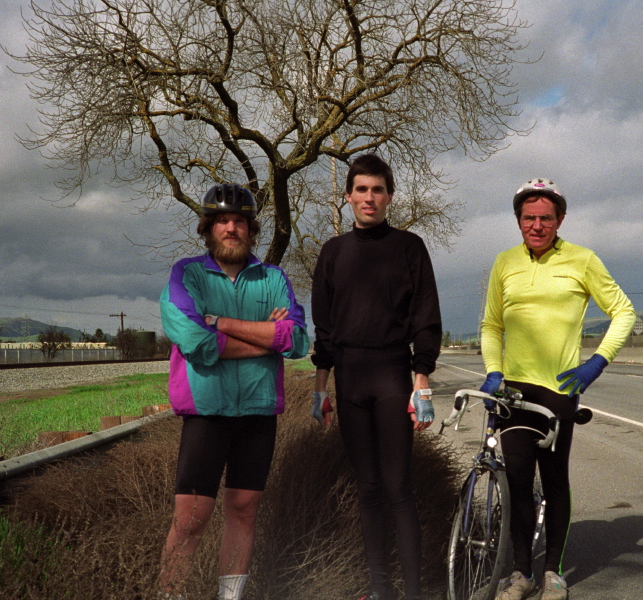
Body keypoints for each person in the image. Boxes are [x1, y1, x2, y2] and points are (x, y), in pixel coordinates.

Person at [480, 178, 636, 600]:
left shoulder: (583, 260)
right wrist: (494, 369)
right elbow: (492, 325)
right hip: (513, 390)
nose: (537, 225)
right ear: (518, 221)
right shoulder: (504, 263)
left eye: (545, 218)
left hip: (559, 390)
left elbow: (623, 311)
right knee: (515, 477)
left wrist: (596, 363)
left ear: (560, 219)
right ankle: (520, 573)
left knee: (552, 478)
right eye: (528, 218)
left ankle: (553, 571)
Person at [158, 183, 309, 600]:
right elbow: (195, 343)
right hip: (206, 411)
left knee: (243, 511)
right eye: (222, 220)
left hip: (258, 412)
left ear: (250, 229)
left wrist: (221, 322)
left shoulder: (272, 278)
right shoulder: (186, 275)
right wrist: (266, 336)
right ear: (208, 228)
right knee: (190, 519)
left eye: (239, 221)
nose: (231, 228)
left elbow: (296, 341)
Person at [310, 154, 442, 600]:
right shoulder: (333, 253)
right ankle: (380, 590)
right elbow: (323, 329)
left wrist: (421, 379)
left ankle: (414, 592)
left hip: (391, 373)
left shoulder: (409, 247)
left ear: (390, 196)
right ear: (348, 196)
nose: (370, 198)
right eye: (361, 190)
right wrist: (320, 388)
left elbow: (426, 318)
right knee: (367, 489)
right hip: (348, 378)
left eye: (378, 190)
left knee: (397, 487)